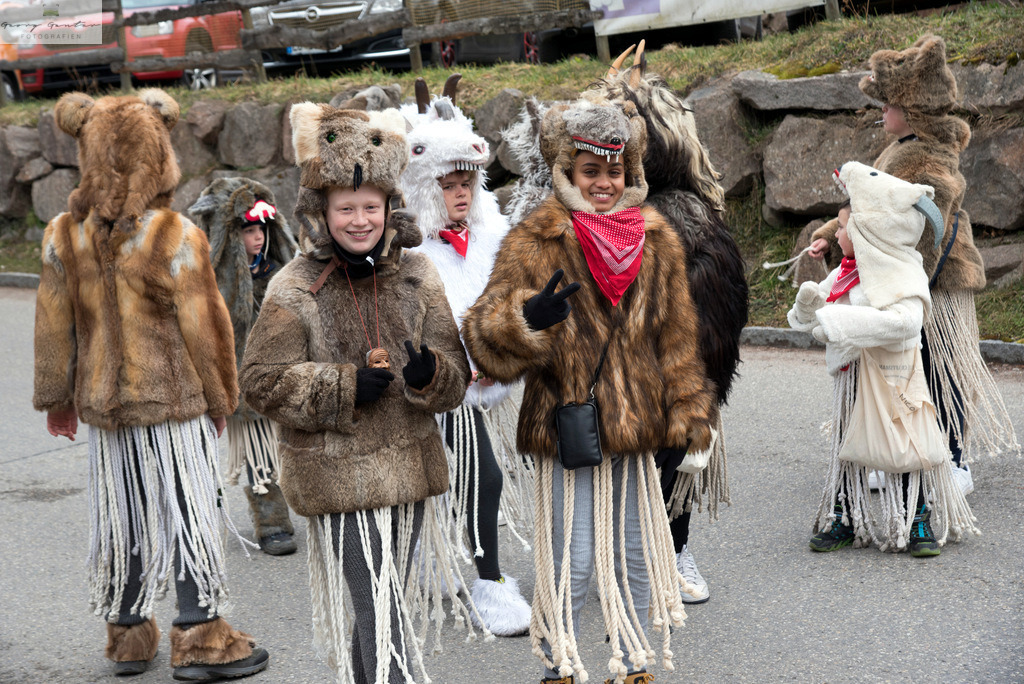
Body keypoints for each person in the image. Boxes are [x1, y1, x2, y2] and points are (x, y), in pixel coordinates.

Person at [462, 92, 717, 684]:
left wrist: (691, 409)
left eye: (615, 170)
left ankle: (630, 663)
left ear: (632, 172)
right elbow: (482, 331)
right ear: (566, 173)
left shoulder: (657, 240)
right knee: (571, 563)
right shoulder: (537, 239)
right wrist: (526, 318)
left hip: (635, 429)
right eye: (590, 171)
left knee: (635, 557)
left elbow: (678, 337)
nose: (604, 183)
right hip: (568, 426)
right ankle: (560, 665)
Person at [33, 90, 268, 679]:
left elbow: (52, 325)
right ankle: (202, 635)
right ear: (158, 155)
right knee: (187, 509)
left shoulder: (64, 235)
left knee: (125, 515)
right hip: (173, 409)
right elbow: (206, 324)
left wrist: (58, 400)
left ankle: (130, 636)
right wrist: (222, 399)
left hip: (105, 413)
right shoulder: (173, 234)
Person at [239, 103, 472, 683]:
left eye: (371, 206)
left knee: (382, 606)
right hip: (337, 475)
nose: (360, 219)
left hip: (410, 469)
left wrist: (431, 377)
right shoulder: (294, 285)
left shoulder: (419, 273)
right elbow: (261, 381)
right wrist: (340, 386)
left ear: (391, 207)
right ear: (322, 211)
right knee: (381, 606)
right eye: (346, 208)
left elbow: (456, 375)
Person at [806, 35, 1019, 492]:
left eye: (888, 104)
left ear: (912, 108)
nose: (881, 112)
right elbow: (865, 209)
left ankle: (954, 459)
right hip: (897, 277)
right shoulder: (895, 149)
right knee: (897, 370)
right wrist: (831, 236)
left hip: (934, 281)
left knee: (941, 372)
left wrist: (885, 261)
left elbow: (929, 220)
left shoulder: (931, 155)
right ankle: (898, 450)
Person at [594, 41, 749, 605]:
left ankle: (675, 547)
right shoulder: (592, 211)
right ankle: (626, 554)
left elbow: (720, 307)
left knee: (680, 464)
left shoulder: (691, 213)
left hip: (686, 372)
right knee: (622, 469)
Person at [398, 76, 532, 637]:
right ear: (425, 186)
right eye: (449, 183)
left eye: (468, 181)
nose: (461, 193)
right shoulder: (407, 247)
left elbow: (510, 298)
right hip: (433, 387)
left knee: (483, 478)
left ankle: (466, 571)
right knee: (483, 477)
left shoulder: (493, 233)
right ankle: (489, 582)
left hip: (488, 381)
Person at [790, 162, 978, 556]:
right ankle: (844, 517)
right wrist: (809, 306)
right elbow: (811, 320)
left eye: (842, 227)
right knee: (846, 450)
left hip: (894, 380)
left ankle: (916, 518)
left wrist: (835, 320)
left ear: (867, 230)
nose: (836, 233)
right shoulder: (846, 272)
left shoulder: (902, 272)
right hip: (851, 381)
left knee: (903, 445)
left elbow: (906, 322)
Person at [189, 177, 299, 556]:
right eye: (248, 230)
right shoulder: (208, 280)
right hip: (243, 379)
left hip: (285, 374)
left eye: (262, 229)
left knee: (294, 447)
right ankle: (272, 525)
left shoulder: (281, 269)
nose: (258, 238)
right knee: (258, 452)